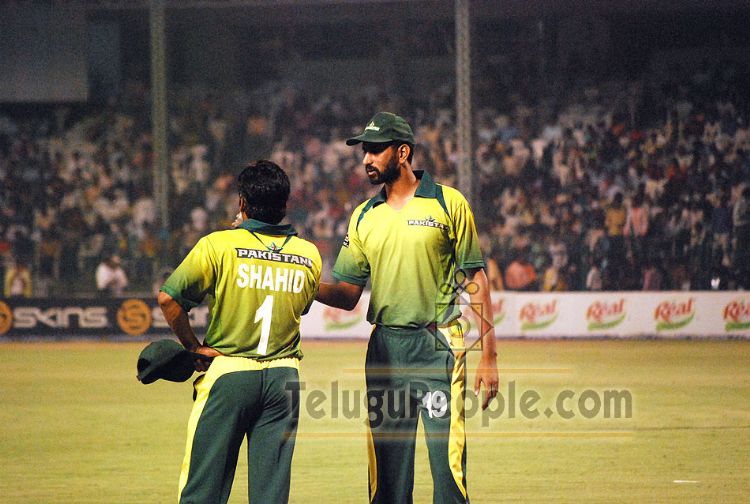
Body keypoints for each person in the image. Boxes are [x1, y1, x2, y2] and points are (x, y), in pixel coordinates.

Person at [315, 112, 498, 504]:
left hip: (438, 346)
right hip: (385, 350)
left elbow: (476, 280)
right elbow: (348, 293)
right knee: (387, 476)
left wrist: (489, 356)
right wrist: (307, 286)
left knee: (448, 471)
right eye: (365, 151)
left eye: (375, 150)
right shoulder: (364, 216)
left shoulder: (449, 203)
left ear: (402, 152)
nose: (367, 159)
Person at [157, 160, 322, 504]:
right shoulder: (309, 255)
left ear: (242, 203)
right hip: (284, 378)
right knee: (270, 494)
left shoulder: (218, 245)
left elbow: (169, 299)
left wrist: (194, 348)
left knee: (203, 489)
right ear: (285, 205)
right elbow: (300, 307)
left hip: (229, 374)